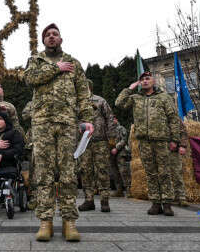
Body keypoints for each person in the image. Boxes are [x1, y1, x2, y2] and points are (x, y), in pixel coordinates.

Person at [23, 23, 94, 242]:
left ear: (61, 39)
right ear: (43, 40)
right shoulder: (35, 60)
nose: (51, 37)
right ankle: (45, 222)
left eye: (55, 34)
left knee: (68, 173)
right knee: (43, 172)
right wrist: (56, 69)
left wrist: (87, 120)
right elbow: (29, 79)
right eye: (47, 35)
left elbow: (83, 93)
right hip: (42, 123)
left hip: (67, 124)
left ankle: (68, 221)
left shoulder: (74, 63)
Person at [116, 71, 179, 216]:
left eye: (148, 79)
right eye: (142, 79)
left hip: (161, 140)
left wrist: (175, 140)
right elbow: (119, 103)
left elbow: (173, 119)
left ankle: (167, 203)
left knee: (164, 172)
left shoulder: (163, 97)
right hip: (144, 141)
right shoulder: (135, 98)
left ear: (153, 81)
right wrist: (130, 88)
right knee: (150, 173)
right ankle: (155, 202)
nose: (145, 81)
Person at [78, 80, 117, 213]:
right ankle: (89, 200)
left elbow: (110, 118)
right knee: (85, 171)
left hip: (100, 141)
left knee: (102, 170)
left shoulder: (100, 101)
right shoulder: (76, 103)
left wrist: (112, 138)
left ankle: (104, 200)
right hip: (83, 143)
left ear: (89, 87)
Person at [21, 100, 37, 210]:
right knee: (34, 169)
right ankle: (34, 198)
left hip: (55, 137)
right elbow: (25, 115)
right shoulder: (31, 103)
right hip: (35, 137)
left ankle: (60, 201)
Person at [168, 121, 188, 206]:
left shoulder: (174, 117)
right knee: (163, 174)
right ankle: (168, 197)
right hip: (160, 150)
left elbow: (183, 131)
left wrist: (182, 145)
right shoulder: (155, 115)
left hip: (173, 151)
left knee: (177, 173)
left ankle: (181, 197)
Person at [110, 119, 130, 197]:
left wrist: (117, 148)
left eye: (113, 119)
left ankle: (129, 191)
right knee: (115, 173)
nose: (112, 121)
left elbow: (124, 140)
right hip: (111, 153)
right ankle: (119, 190)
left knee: (123, 172)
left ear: (116, 120)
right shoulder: (109, 129)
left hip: (120, 152)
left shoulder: (121, 128)